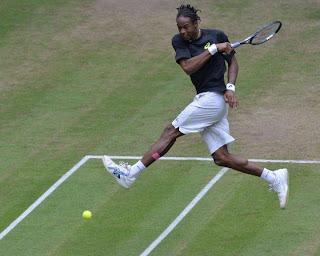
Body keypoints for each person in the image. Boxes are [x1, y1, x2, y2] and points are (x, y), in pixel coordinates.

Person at [102, 4, 289, 209]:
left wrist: (230, 87)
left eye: (186, 27)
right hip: (208, 101)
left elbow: (232, 63)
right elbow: (189, 68)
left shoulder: (217, 35)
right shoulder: (179, 41)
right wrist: (214, 49)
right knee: (222, 158)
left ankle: (131, 173)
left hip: (213, 101)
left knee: (170, 132)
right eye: (180, 27)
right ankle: (274, 177)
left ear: (196, 23)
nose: (183, 31)